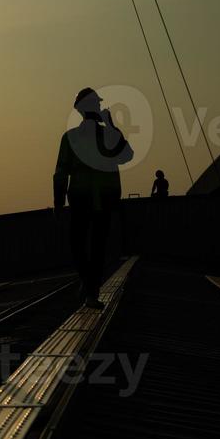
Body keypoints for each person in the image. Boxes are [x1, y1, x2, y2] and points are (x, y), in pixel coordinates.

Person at [53, 87, 133, 308]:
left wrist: (58, 204)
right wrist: (112, 126)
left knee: (79, 244)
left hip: (83, 198)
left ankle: (90, 289)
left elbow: (61, 173)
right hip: (102, 198)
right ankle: (91, 289)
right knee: (96, 246)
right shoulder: (105, 135)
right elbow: (127, 154)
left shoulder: (71, 138)